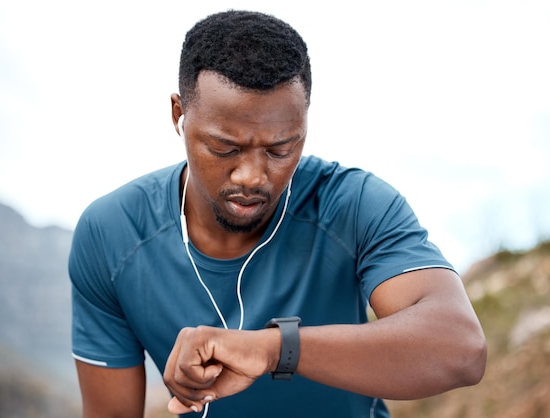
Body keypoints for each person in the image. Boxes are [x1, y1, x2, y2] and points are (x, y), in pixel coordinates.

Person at [69, 9, 487, 418]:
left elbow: (461, 348)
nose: (252, 176)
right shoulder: (111, 234)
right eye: (224, 148)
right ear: (179, 115)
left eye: (280, 149)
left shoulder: (355, 203)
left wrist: (271, 349)